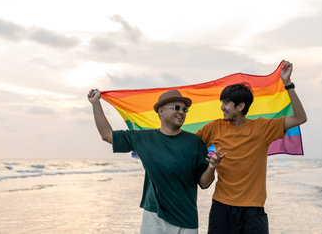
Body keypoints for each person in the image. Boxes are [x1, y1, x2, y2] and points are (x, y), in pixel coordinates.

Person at [88, 88, 225, 234]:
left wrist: (212, 167)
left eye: (185, 109)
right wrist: (95, 103)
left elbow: (204, 183)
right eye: (176, 107)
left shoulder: (195, 142)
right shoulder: (143, 138)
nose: (181, 112)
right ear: (161, 111)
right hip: (154, 217)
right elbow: (107, 135)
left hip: (186, 220)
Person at [196, 60, 307, 234]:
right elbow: (188, 145)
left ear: (240, 106)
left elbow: (300, 118)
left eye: (226, 103)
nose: (222, 107)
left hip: (253, 210)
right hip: (221, 208)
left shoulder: (262, 128)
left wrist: (287, 83)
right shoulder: (214, 127)